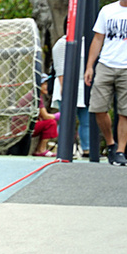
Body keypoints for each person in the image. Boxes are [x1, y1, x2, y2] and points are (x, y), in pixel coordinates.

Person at [83, 0, 127, 166]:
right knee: (98, 107)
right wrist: (90, 66)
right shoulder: (107, 11)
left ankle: (120, 151)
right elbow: (98, 38)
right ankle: (110, 143)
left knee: (126, 111)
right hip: (106, 64)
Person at [50, 24, 88, 158]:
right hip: (66, 85)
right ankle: (64, 148)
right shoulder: (61, 43)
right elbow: (60, 67)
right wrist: (64, 86)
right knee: (67, 119)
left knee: (86, 120)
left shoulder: (88, 41)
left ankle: (87, 149)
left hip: (84, 85)